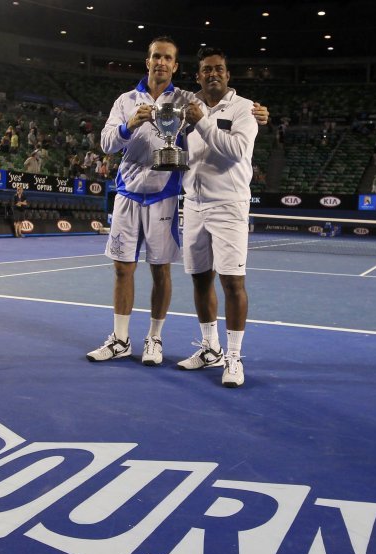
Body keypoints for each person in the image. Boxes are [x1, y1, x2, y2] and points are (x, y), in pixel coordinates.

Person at [86, 35, 268, 365]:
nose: (161, 62)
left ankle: (154, 339)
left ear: (175, 65)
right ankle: (120, 339)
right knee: (122, 270)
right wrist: (129, 125)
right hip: (127, 192)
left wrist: (258, 113)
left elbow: (217, 107)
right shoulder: (126, 100)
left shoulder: (186, 100)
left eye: (167, 58)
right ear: (148, 61)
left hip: (166, 195)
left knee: (161, 272)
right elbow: (106, 143)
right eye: (156, 56)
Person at [174, 47, 257, 388]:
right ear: (198, 75)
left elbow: (236, 151)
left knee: (232, 282)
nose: (213, 74)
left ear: (227, 74)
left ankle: (234, 358)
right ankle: (210, 348)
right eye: (207, 69)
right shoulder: (185, 107)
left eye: (219, 69)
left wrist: (202, 122)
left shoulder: (245, 109)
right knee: (199, 278)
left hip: (229, 205)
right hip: (192, 203)